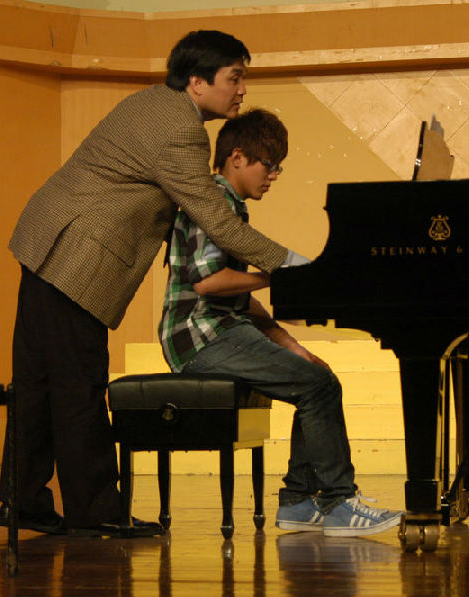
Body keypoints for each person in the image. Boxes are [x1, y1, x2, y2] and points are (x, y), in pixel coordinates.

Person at [0, 30, 308, 538]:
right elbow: (218, 221)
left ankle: (24, 501)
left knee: (38, 384)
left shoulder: (152, 105)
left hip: (46, 242)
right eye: (234, 78)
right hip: (77, 258)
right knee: (78, 385)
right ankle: (95, 512)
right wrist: (297, 265)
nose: (242, 90)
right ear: (197, 81)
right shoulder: (180, 129)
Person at [159, 108, 404, 537]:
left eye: (278, 167)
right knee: (318, 386)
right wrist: (280, 275)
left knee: (315, 377)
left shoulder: (231, 207)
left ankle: (297, 503)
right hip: (200, 337)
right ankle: (337, 501)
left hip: (223, 330)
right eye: (268, 165)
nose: (273, 176)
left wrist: (290, 344)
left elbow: (239, 298)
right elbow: (208, 282)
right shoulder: (213, 202)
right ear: (237, 157)